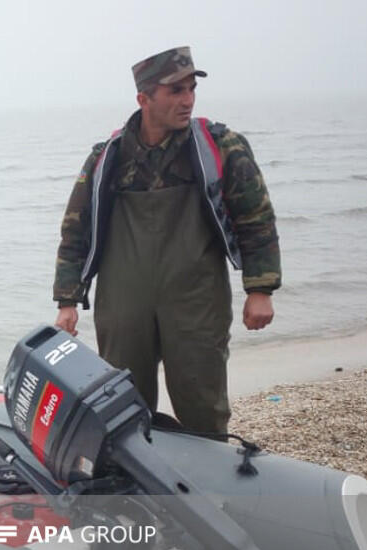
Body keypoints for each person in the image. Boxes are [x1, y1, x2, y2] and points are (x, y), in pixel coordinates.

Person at [52, 46, 280, 434]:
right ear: (144, 99)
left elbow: (255, 218)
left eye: (191, 89)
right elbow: (77, 228)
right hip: (122, 302)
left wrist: (261, 288)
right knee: (123, 406)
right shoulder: (109, 157)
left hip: (196, 300)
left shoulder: (220, 147)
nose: (187, 100)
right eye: (175, 91)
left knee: (202, 404)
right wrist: (67, 300)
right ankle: (134, 485)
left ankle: (209, 483)